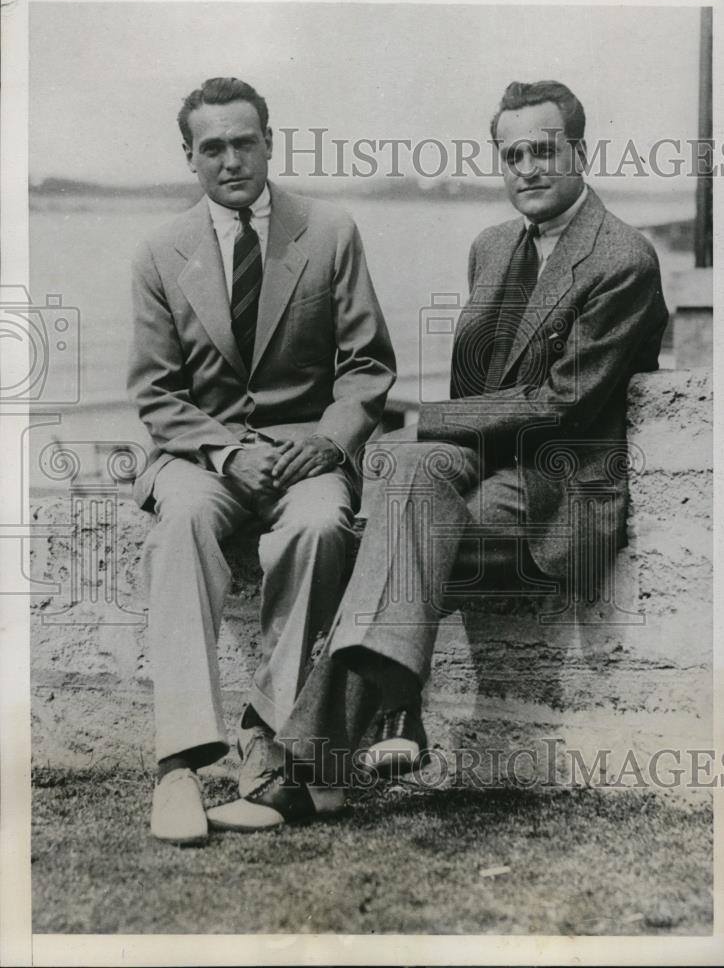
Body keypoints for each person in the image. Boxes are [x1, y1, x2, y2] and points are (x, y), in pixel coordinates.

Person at [223, 78, 669, 826]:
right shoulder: (490, 247)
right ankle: (390, 720)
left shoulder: (622, 259)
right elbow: (476, 389)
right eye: (512, 153)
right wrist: (416, 433)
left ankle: (315, 758)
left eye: (544, 150)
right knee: (402, 471)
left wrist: (419, 416)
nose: (527, 167)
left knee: (397, 506)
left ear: (580, 152)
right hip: (483, 473)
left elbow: (561, 404)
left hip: (561, 484)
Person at [128, 77, 396, 844]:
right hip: (200, 459)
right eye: (212, 146)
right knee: (179, 523)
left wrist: (325, 441)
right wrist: (222, 451)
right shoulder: (158, 252)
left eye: (245, 141)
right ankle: (179, 765)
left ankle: (273, 741)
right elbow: (155, 391)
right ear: (189, 156)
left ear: (270, 143)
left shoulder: (330, 232)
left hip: (304, 456)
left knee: (320, 531)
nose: (231, 159)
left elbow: (367, 366)